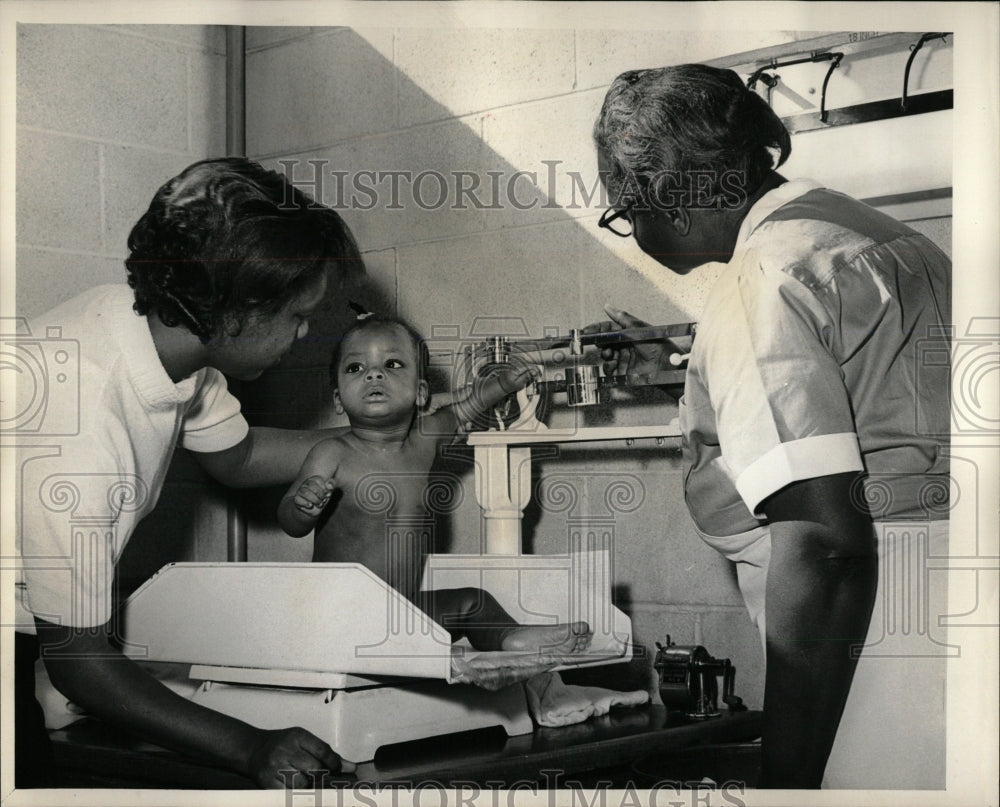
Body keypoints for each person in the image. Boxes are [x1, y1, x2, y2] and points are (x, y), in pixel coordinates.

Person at [588, 64, 950, 789]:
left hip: (872, 647)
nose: (636, 232)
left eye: (625, 214)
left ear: (667, 196)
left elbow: (824, 543)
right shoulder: (889, 240)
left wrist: (785, 774)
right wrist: (687, 368)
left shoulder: (760, 282)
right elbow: (873, 386)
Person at [13, 157, 364, 789]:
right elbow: (82, 665)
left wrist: (388, 439)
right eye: (295, 315)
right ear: (239, 307)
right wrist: (252, 748)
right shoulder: (84, 430)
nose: (306, 332)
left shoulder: (151, 333)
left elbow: (241, 455)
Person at [277, 314, 593, 684]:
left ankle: (510, 636)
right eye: (356, 367)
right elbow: (289, 522)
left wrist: (504, 383)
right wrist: (302, 506)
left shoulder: (423, 442)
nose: (373, 375)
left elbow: (462, 412)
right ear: (337, 398)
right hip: (344, 618)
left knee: (473, 602)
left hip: (403, 615)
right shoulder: (332, 452)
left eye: (392, 364)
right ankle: (443, 655)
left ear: (421, 392)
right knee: (427, 642)